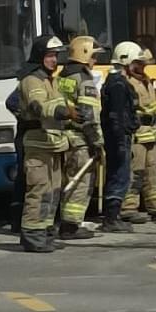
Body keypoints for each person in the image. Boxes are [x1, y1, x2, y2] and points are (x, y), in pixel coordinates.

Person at [16, 34, 70, 253]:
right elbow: (38, 106)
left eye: (56, 56)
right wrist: (62, 112)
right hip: (37, 145)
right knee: (38, 190)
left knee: (53, 191)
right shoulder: (33, 80)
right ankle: (32, 235)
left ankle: (46, 232)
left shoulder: (51, 80)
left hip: (53, 145)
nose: (54, 60)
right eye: (49, 56)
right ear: (39, 56)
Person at [57, 36, 104, 240]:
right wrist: (96, 142)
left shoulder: (63, 76)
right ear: (84, 55)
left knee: (68, 180)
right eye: (94, 55)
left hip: (64, 137)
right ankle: (71, 226)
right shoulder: (84, 80)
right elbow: (88, 114)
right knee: (81, 182)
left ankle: (66, 222)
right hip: (80, 140)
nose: (95, 60)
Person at [123, 48, 156, 222]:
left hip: (150, 133)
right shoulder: (128, 83)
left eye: (144, 64)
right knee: (135, 173)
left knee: (154, 172)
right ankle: (128, 209)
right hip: (137, 135)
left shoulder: (146, 81)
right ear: (130, 65)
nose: (143, 67)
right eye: (139, 63)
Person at [99, 41, 141, 233]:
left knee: (119, 174)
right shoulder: (117, 84)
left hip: (119, 135)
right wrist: (119, 140)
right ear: (126, 61)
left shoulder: (117, 81)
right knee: (119, 176)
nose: (138, 66)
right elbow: (116, 114)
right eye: (135, 62)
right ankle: (111, 219)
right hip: (118, 136)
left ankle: (112, 217)